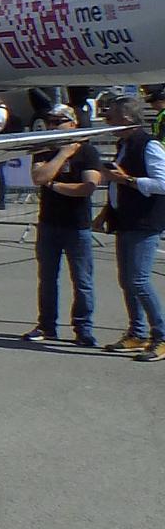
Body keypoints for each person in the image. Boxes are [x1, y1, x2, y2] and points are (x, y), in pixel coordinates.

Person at [23, 104, 100, 346]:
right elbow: (38, 177)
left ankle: (83, 328)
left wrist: (55, 186)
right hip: (48, 223)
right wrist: (62, 155)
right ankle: (47, 325)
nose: (52, 126)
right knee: (47, 278)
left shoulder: (87, 151)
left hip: (77, 225)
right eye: (50, 121)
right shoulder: (45, 150)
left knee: (82, 280)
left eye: (59, 121)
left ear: (72, 123)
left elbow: (87, 187)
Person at [96, 97, 165, 358]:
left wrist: (129, 180)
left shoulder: (149, 145)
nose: (107, 121)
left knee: (139, 279)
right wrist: (105, 213)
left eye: (111, 116)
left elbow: (162, 183)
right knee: (127, 280)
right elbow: (117, 183)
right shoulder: (123, 144)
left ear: (126, 118)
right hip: (124, 220)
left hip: (144, 221)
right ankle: (136, 332)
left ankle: (161, 335)